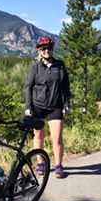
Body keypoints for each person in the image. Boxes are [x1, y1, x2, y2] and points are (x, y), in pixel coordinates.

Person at [25, 36, 71, 179]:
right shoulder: (35, 68)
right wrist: (28, 107)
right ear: (39, 51)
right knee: (38, 135)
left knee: (57, 138)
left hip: (55, 106)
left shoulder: (60, 66)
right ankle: (40, 164)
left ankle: (58, 165)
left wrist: (67, 103)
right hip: (38, 106)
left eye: (49, 48)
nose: (46, 51)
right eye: (43, 49)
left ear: (52, 50)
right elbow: (28, 88)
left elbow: (65, 87)